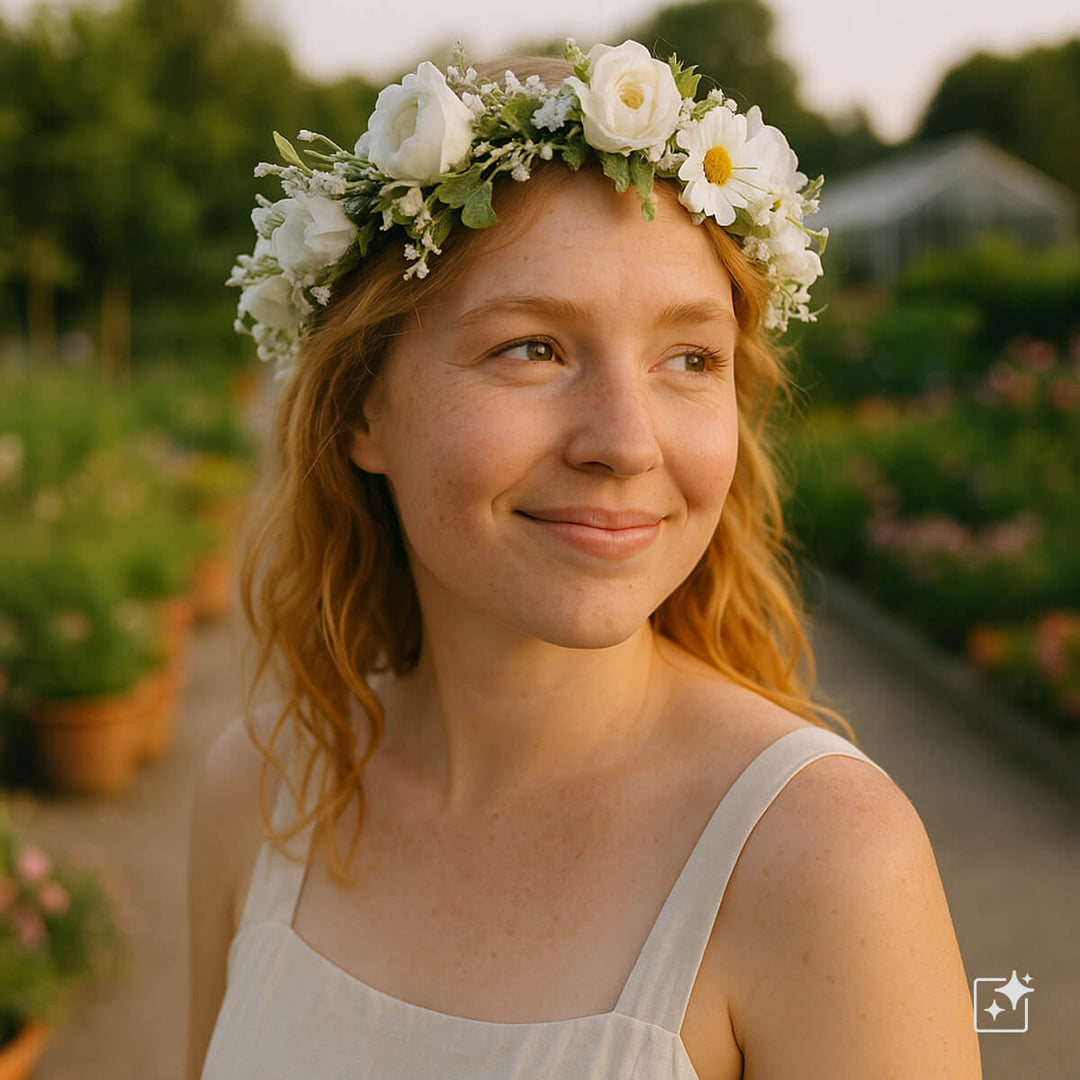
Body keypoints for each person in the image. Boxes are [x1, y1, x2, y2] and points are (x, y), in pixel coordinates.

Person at [188, 41, 982, 1079]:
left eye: (689, 359)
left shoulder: (821, 859)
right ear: (362, 410)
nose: (626, 441)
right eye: (533, 348)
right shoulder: (260, 788)